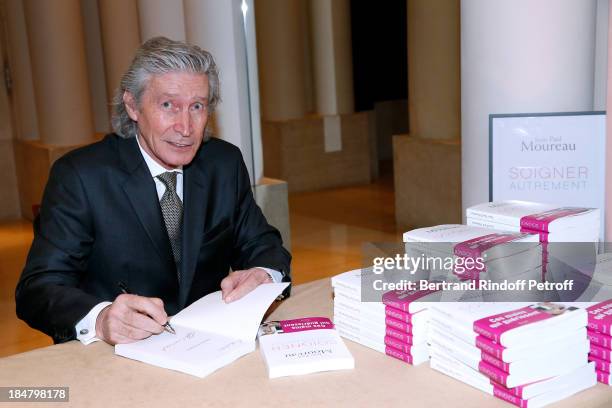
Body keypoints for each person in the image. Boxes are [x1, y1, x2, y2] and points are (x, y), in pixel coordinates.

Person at [15, 37, 291, 346]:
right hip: (116, 356)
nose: (185, 127)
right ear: (132, 105)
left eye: (197, 107)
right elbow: (37, 288)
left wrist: (264, 273)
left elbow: (261, 242)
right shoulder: (80, 176)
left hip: (207, 345)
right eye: (168, 105)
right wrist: (102, 318)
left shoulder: (223, 163)